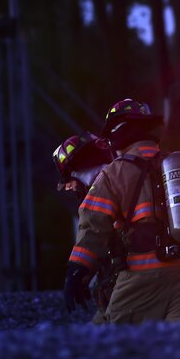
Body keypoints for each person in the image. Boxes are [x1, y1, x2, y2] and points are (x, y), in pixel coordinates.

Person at [63, 99, 180, 323]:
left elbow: (93, 224)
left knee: (112, 343)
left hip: (143, 277)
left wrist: (77, 269)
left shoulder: (114, 173)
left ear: (116, 134)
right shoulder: (176, 166)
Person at [53, 131, 117, 323]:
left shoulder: (102, 190)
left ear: (81, 171)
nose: (69, 188)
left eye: (69, 180)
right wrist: (84, 275)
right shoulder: (118, 180)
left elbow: (94, 233)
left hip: (133, 287)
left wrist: (76, 271)